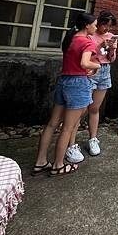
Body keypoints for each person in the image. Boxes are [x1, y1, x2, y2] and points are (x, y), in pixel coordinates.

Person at [31, 13, 100, 176]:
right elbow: (84, 63)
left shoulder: (71, 39)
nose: (95, 27)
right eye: (94, 25)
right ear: (87, 26)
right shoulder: (87, 42)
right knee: (68, 128)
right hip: (78, 84)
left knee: (52, 124)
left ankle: (40, 162)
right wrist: (97, 66)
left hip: (64, 81)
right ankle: (58, 165)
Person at [66, 10, 117, 161]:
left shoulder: (110, 37)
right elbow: (86, 55)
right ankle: (71, 144)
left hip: (105, 70)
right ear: (97, 23)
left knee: (94, 108)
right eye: (104, 25)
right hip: (89, 70)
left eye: (110, 26)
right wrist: (100, 44)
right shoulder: (89, 34)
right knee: (80, 110)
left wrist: (112, 49)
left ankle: (93, 139)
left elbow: (111, 59)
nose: (107, 29)